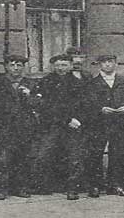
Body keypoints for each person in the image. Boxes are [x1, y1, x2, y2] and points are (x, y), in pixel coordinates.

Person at [30, 54, 87, 200]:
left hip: (73, 126)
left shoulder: (78, 83)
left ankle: (72, 188)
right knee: (44, 155)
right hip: (52, 125)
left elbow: (84, 105)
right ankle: (43, 186)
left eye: (64, 65)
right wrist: (66, 119)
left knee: (75, 158)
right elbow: (45, 106)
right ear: (53, 66)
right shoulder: (45, 82)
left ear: (70, 66)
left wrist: (78, 119)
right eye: (58, 65)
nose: (61, 68)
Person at [83, 54, 124, 198]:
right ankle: (95, 185)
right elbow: (87, 103)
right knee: (95, 154)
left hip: (120, 123)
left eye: (110, 62)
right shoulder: (93, 83)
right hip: (99, 124)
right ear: (99, 65)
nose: (107, 65)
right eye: (104, 62)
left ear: (116, 64)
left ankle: (117, 185)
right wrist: (100, 109)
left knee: (119, 154)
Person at [0, 54, 38, 200]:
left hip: (24, 127)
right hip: (3, 127)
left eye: (19, 65)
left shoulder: (31, 84)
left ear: (23, 67)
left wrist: (29, 96)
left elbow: (39, 103)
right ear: (6, 67)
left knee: (23, 158)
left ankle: (20, 187)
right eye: (12, 65)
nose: (15, 68)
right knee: (1, 159)